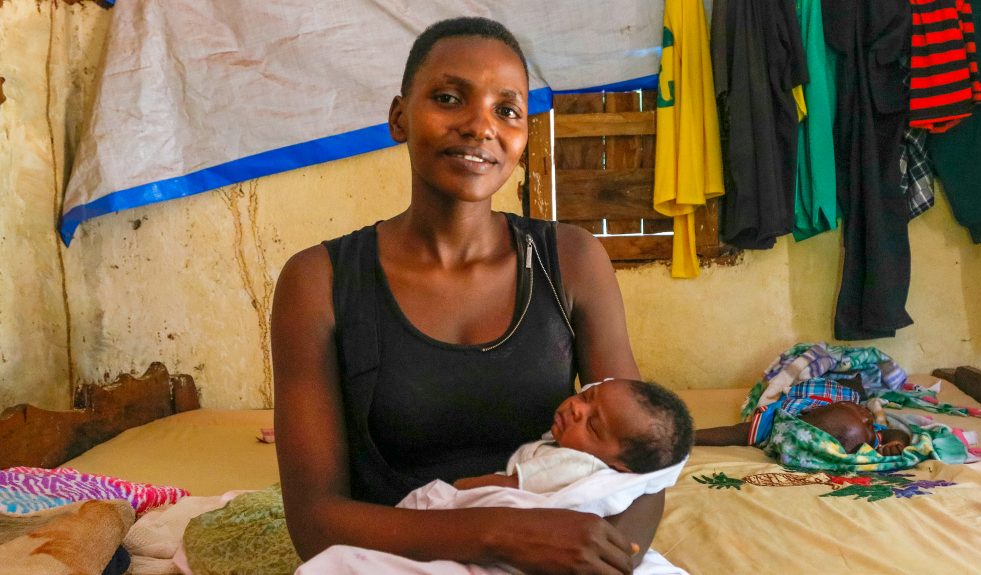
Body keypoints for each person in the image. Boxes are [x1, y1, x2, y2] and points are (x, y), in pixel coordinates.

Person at [271, 16, 658, 575]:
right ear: (399, 118)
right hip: (392, 560)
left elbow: (646, 464)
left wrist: (609, 561)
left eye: (508, 110)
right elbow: (315, 521)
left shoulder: (571, 260)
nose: (481, 127)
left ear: (525, 135)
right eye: (450, 98)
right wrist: (502, 535)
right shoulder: (319, 281)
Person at [453, 378, 694, 493]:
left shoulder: (573, 465)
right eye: (586, 396)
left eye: (593, 426)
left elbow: (507, 485)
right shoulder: (571, 444)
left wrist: (458, 487)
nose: (577, 408)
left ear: (620, 466)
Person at [695, 378, 911, 456]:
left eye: (870, 425)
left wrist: (690, 436)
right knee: (854, 385)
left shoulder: (777, 423)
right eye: (868, 422)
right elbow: (895, 433)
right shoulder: (864, 434)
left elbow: (735, 432)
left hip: (805, 388)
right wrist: (896, 440)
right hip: (840, 390)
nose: (869, 417)